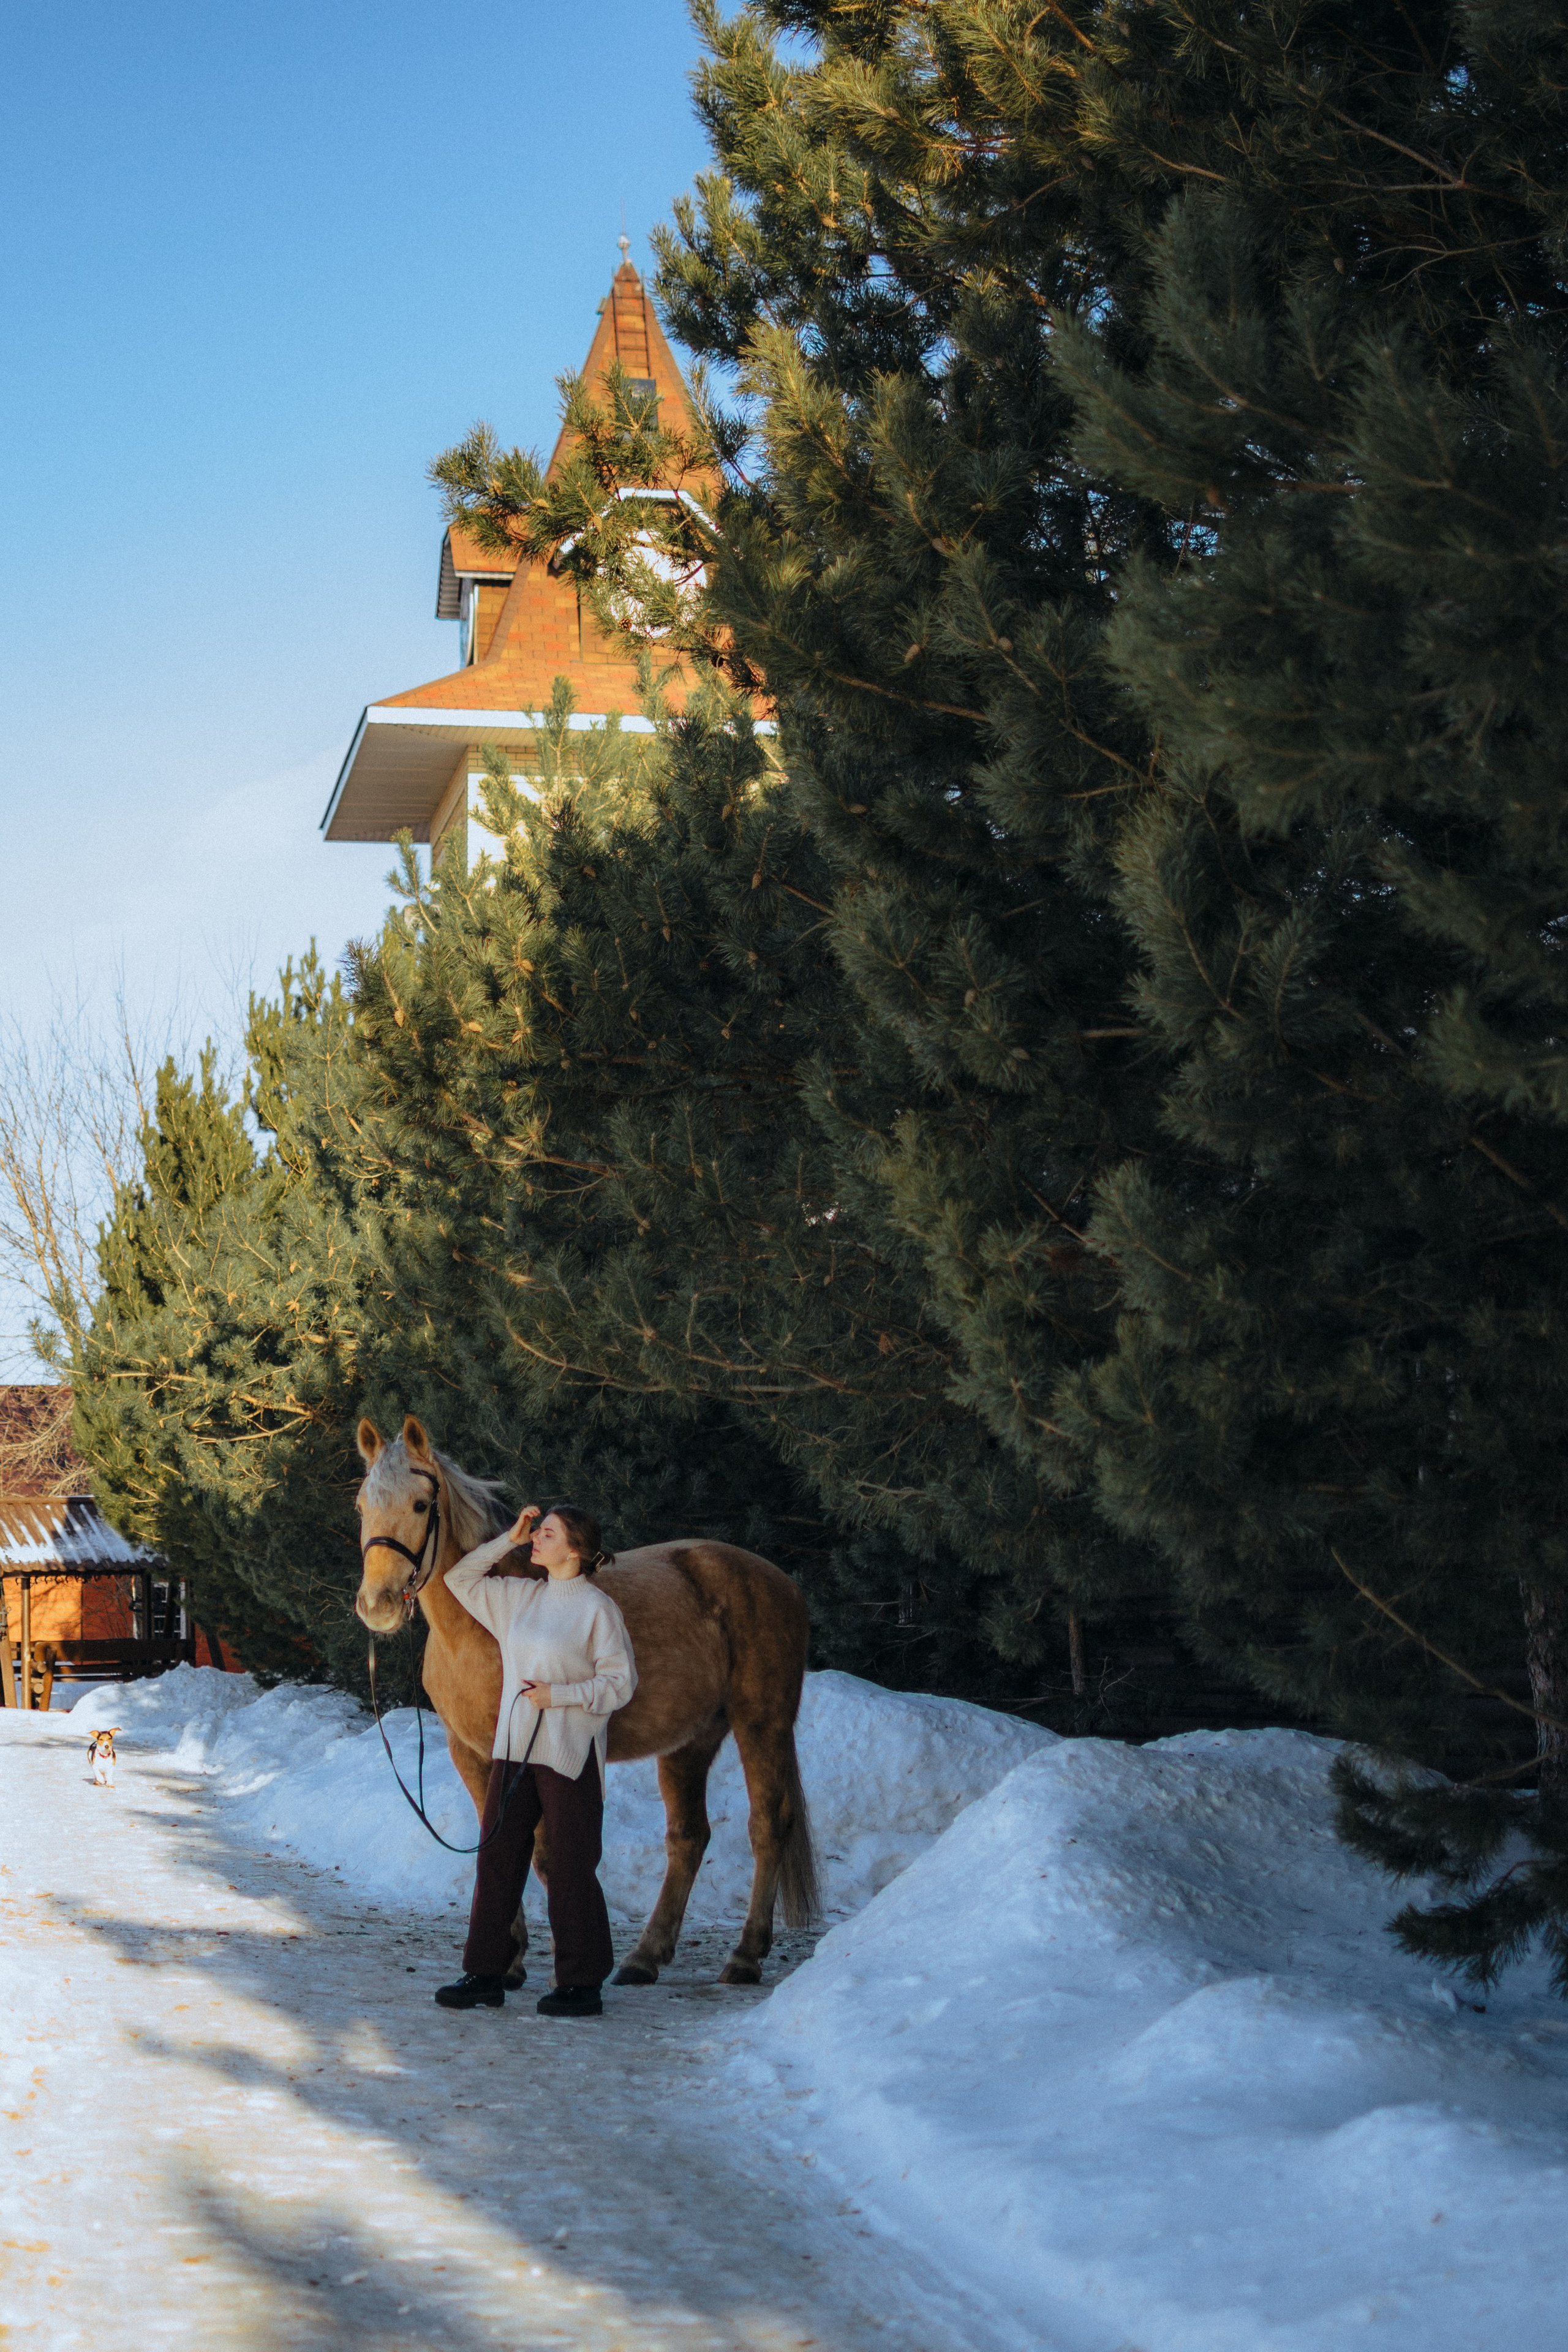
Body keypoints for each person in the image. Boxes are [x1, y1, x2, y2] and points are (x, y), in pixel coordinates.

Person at [433, 1501, 636, 2019]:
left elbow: (621, 1683)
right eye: (537, 1531)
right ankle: (485, 1973)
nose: (537, 1538)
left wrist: (561, 1696)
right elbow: (459, 1577)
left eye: (547, 1533)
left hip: (569, 1755)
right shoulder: (519, 1598)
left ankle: (581, 1983)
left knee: (570, 1867)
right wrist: (509, 1539)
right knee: (497, 1859)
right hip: (514, 1750)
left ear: (575, 1549)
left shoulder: (597, 1609)